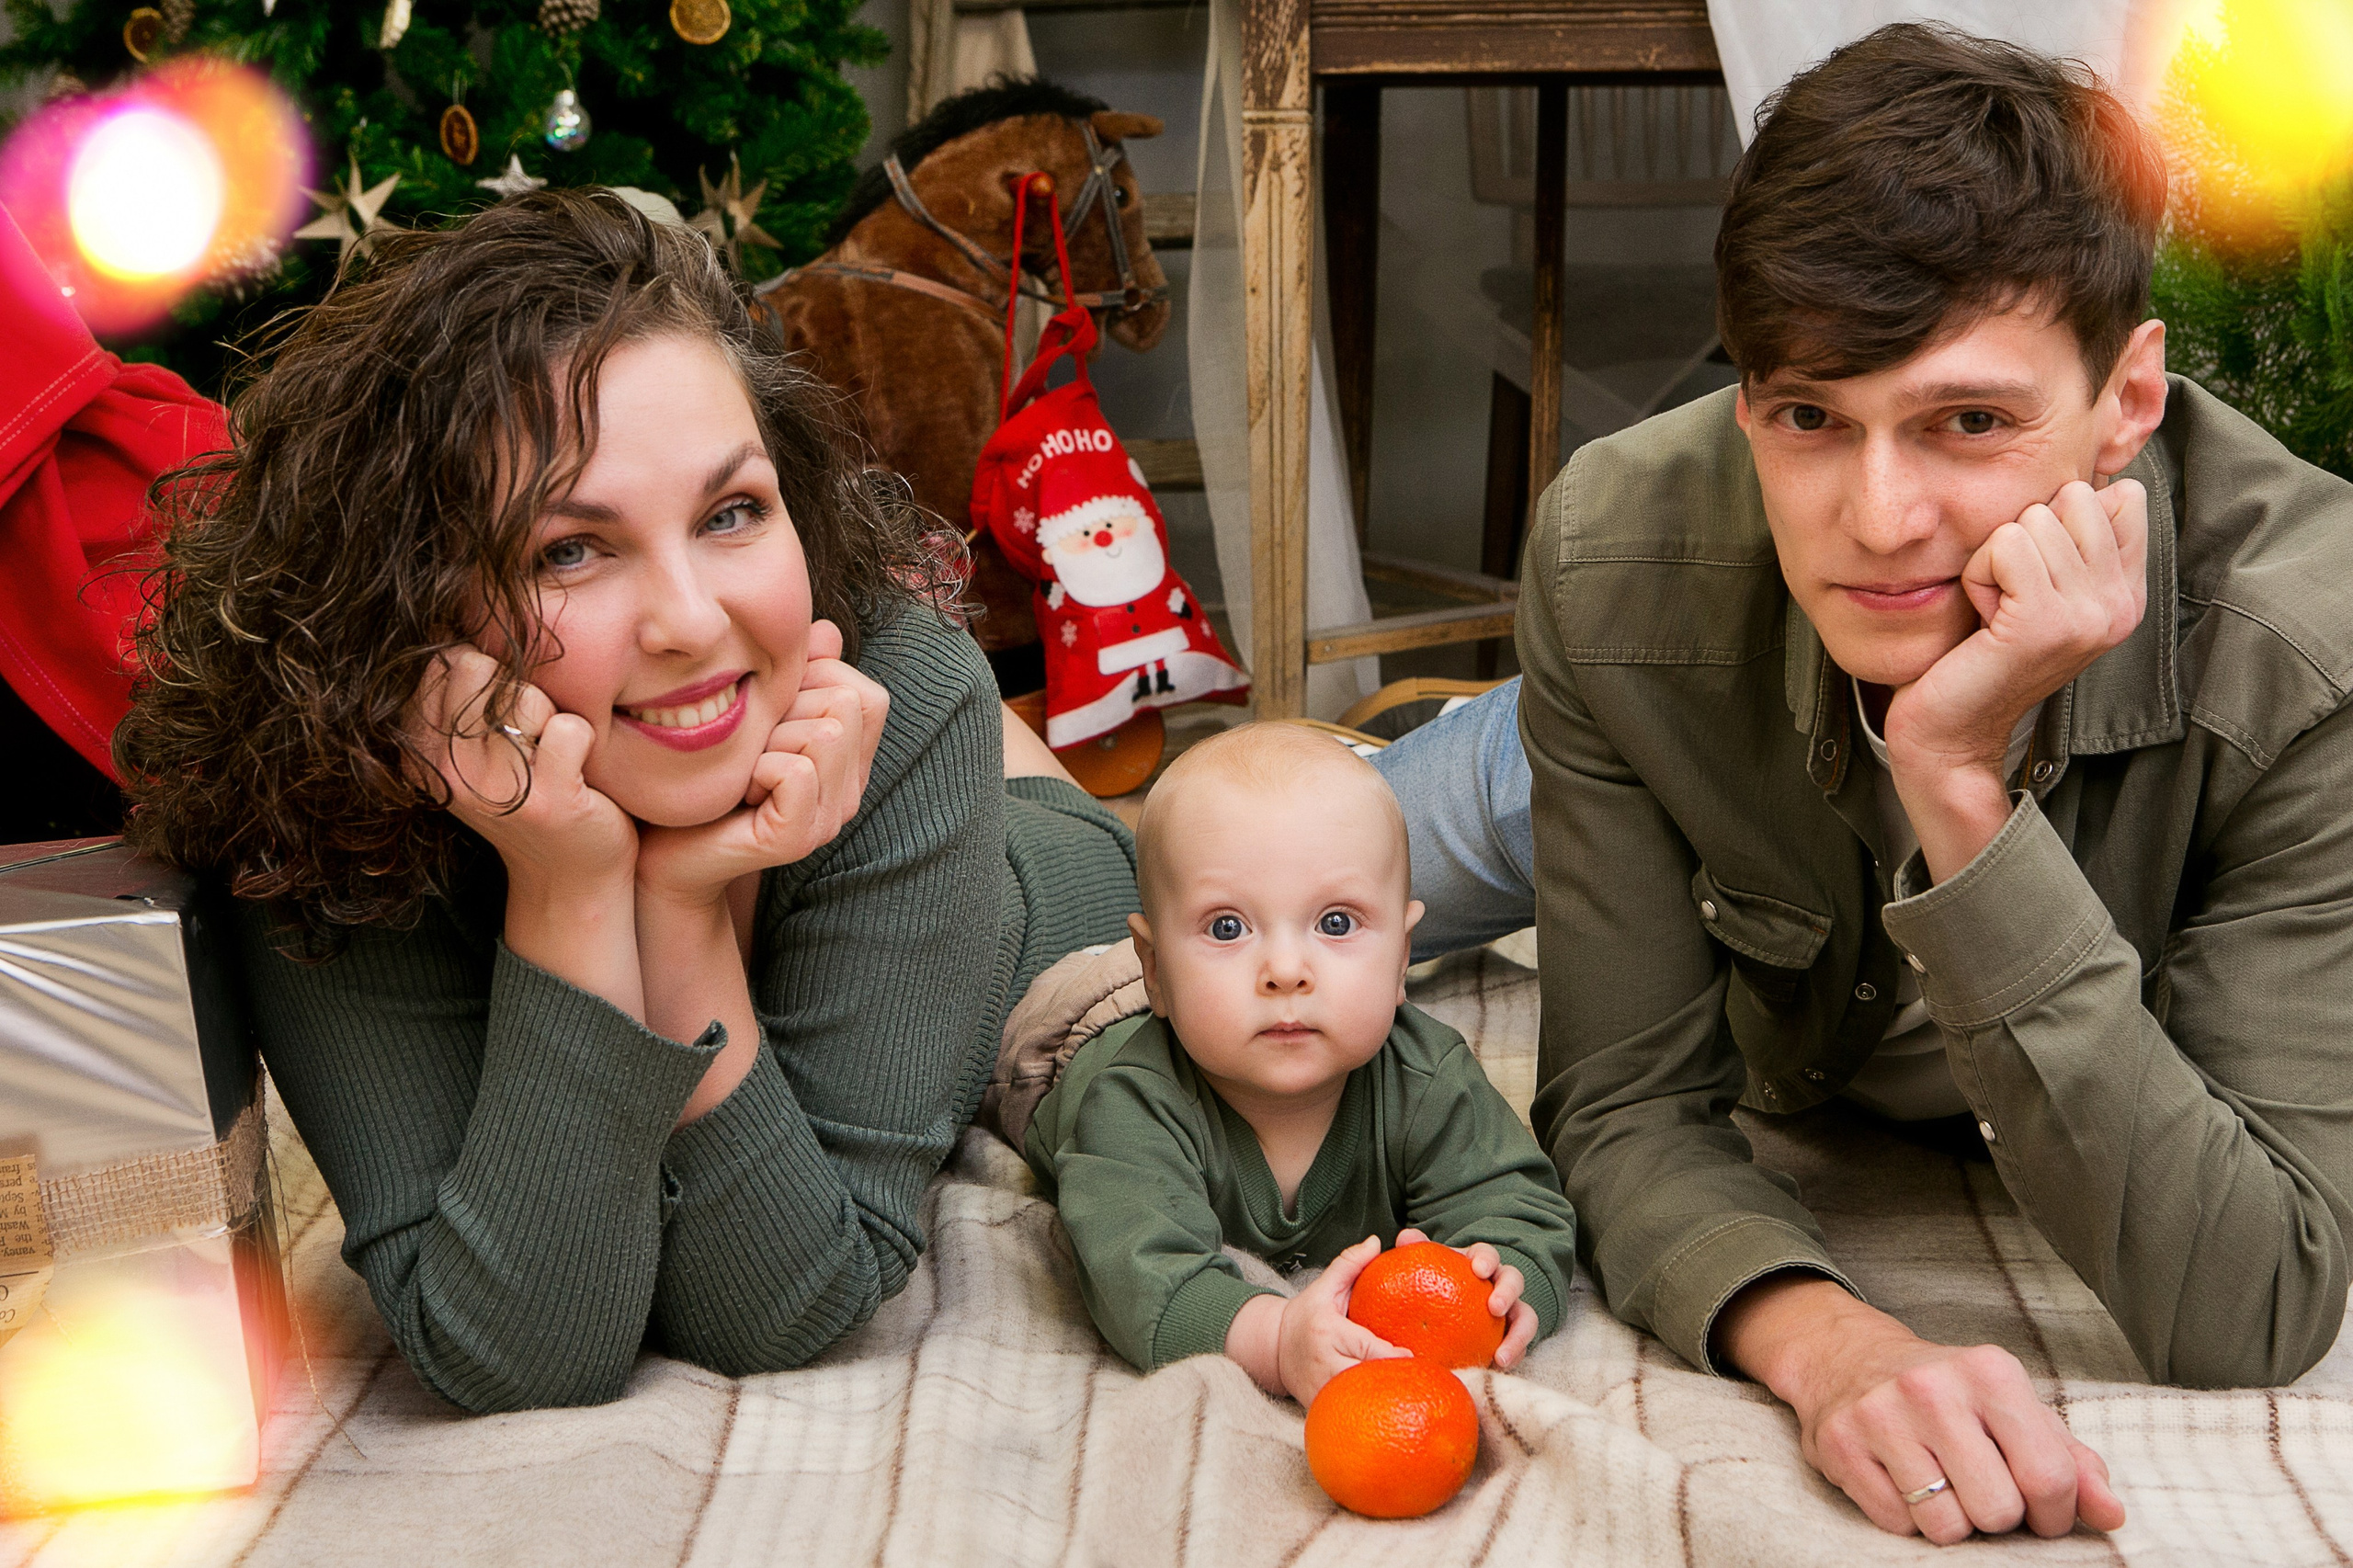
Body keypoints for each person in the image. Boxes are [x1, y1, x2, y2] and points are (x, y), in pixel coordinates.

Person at [1367, 20, 2353, 1545]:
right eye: (1810, 416)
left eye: (1970, 421)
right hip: (1661, 701)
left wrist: (1956, 778)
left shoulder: (2304, 657)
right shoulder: (1617, 555)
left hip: (1825, 721)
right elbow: (1624, 1099)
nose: (1882, 517)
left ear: (2129, 401)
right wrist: (1830, 1345)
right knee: (1235, 883)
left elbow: (2255, 1297)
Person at [114, 189, 1140, 1414]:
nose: (691, 620)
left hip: (1030, 862)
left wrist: (682, 905)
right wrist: (571, 886)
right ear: (406, 598)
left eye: (731, 511)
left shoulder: (898, 706)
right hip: (683, 748)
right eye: (570, 549)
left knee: (1144, 797)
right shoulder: (314, 797)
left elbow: (778, 1306)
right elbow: (517, 1350)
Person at [1017, 723, 1578, 1403]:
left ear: (1402, 958)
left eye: (1336, 923)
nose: (1286, 970)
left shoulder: (1428, 1078)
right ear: (1156, 968)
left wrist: (1505, 1278)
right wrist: (1275, 1337)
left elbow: (1520, 1207)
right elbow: (1138, 1280)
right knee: (1025, 863)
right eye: (1227, 927)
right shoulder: (1131, 1101)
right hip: (1069, 1022)